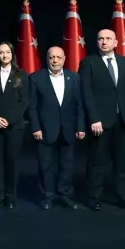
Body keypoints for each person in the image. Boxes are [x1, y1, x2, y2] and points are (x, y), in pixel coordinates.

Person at [80, 29, 125, 211]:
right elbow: (86, 93)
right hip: (100, 122)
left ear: (116, 43)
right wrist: (93, 118)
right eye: (101, 38)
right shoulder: (88, 62)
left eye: (108, 39)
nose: (104, 42)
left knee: (123, 161)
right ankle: (94, 197)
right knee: (97, 161)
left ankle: (122, 196)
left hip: (124, 121)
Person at [28, 46, 86, 209]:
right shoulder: (36, 78)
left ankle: (65, 194)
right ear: (47, 59)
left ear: (64, 59)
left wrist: (81, 127)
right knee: (45, 164)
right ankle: (47, 196)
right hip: (45, 129)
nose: (55, 60)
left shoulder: (74, 78)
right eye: (52, 57)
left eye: (58, 57)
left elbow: (80, 105)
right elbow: (32, 107)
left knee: (67, 164)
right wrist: (35, 128)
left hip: (68, 128)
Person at [0, 42, 29, 209]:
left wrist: (9, 120)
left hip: (15, 126)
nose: (4, 55)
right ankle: (0, 195)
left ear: (12, 54)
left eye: (7, 52)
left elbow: (25, 100)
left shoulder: (21, 74)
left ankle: (11, 196)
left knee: (12, 161)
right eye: (1, 52)